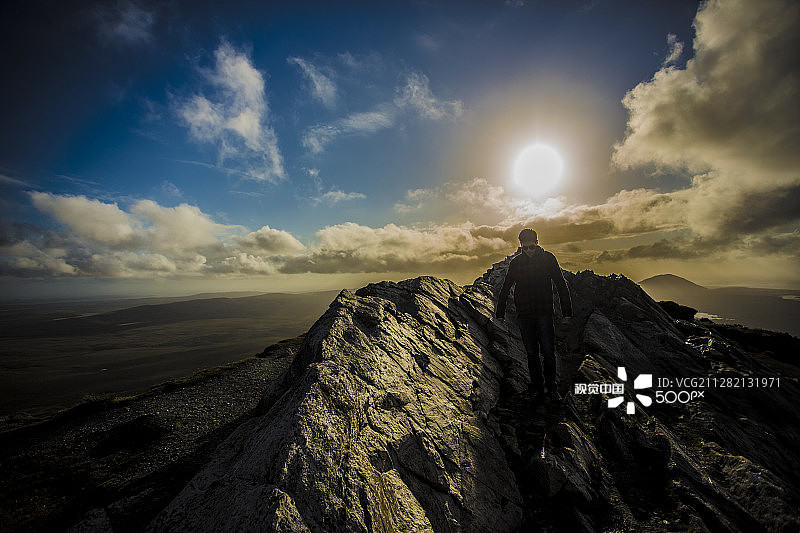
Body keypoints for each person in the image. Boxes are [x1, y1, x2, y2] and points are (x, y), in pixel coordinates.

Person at [495, 228, 572, 403]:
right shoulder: (516, 264)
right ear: (520, 246)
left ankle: (551, 388)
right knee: (531, 353)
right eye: (525, 248)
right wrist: (500, 313)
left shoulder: (548, 259)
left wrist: (567, 313)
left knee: (548, 352)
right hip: (525, 314)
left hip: (544, 313)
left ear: (537, 243)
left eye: (531, 247)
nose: (529, 251)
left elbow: (561, 284)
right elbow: (505, 287)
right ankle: (536, 387)